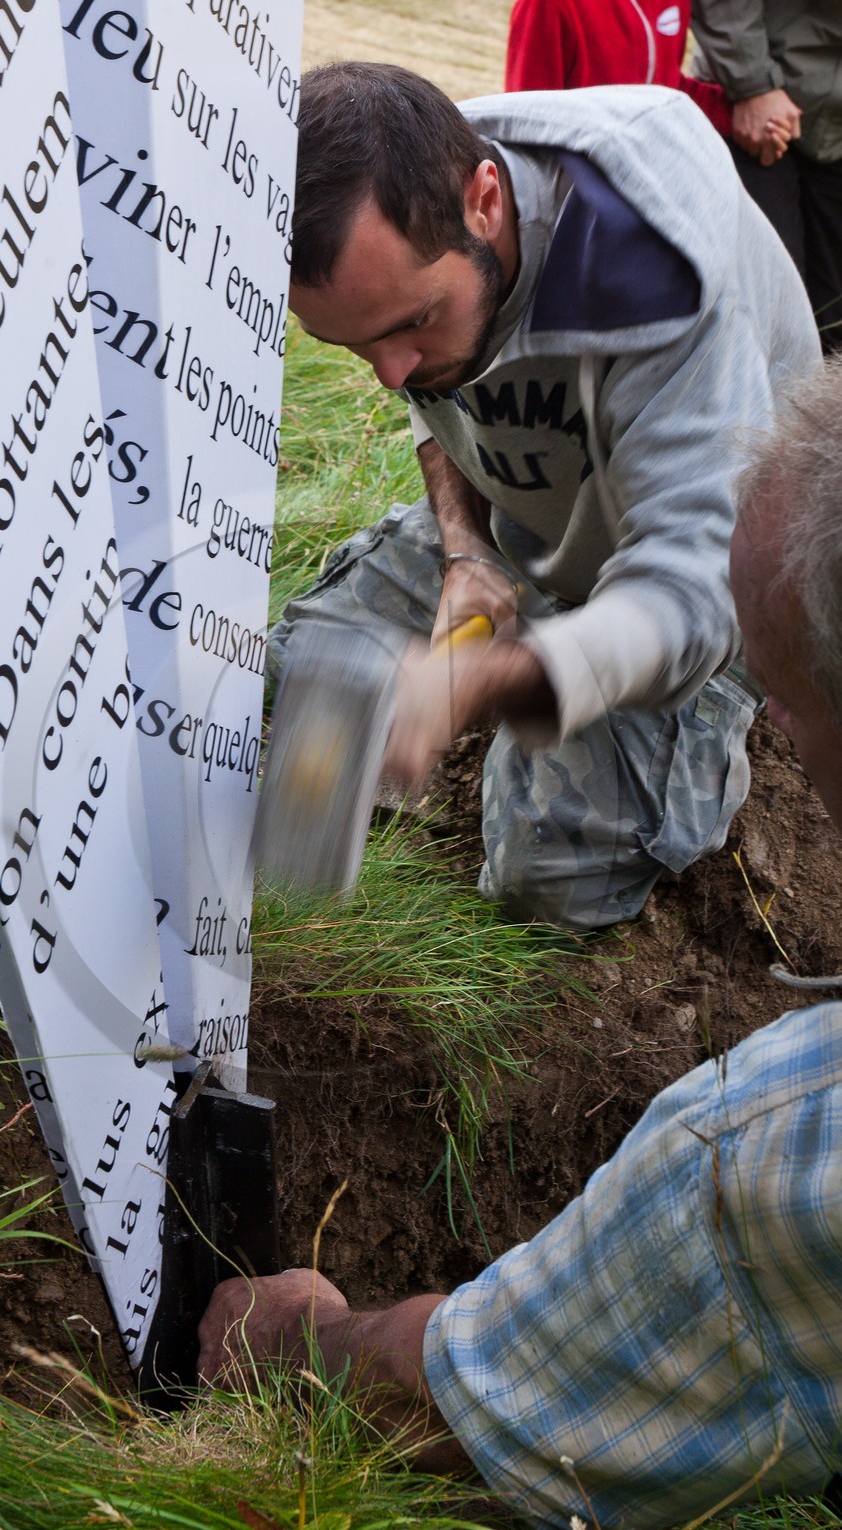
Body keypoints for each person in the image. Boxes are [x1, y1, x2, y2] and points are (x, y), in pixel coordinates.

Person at [199, 357, 842, 1530]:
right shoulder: (468, 308)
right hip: (531, 557)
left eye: (789, 700)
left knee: (558, 862)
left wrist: (302, 1343)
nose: (787, 736)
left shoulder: (772, 1151)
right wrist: (464, 554)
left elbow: (487, 1400)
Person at [268, 62, 819, 932]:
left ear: (484, 200)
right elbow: (438, 403)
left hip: (712, 576)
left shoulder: (649, 261)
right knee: (286, 674)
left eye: (410, 323)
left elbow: (691, 592)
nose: (387, 375)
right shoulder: (414, 226)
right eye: (354, 347)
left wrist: (488, 681)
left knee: (547, 877)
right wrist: (465, 551)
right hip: (536, 512)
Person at [690, 1, 842, 353]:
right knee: (766, 320)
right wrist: (751, 83)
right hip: (754, 102)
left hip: (830, 121)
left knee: (833, 325)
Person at [505, 0, 733, 139]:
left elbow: (667, 86)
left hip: (650, 179)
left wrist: (739, 114)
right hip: (579, 193)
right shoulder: (546, 5)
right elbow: (524, 120)